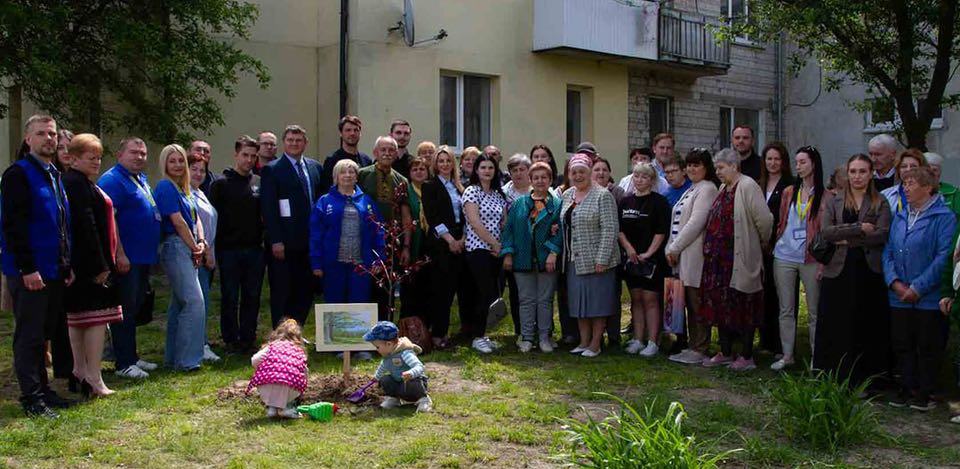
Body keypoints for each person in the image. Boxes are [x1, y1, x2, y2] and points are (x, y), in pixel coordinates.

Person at [1, 115, 76, 417]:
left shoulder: (54, 174)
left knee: (44, 333)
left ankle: (44, 391)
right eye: (42, 134)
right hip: (31, 270)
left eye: (53, 134)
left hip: (55, 269)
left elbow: (59, 223)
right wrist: (27, 268)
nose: (49, 139)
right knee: (30, 335)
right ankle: (31, 397)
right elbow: (13, 226)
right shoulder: (18, 174)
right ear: (28, 139)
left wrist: (67, 263)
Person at [814, 154, 892, 386]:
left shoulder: (881, 202)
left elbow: (882, 234)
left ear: (870, 174)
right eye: (853, 171)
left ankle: (863, 380)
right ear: (847, 174)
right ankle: (833, 376)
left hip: (868, 273)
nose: (857, 176)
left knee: (864, 326)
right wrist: (859, 228)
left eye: (862, 171)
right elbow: (827, 232)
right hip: (837, 271)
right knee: (836, 325)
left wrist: (847, 238)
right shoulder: (834, 200)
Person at [884, 166, 955, 411]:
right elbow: (889, 251)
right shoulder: (901, 216)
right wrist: (894, 281)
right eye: (904, 183)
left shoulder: (943, 217)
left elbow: (944, 256)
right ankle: (906, 388)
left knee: (927, 344)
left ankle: (924, 393)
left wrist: (918, 287)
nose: (906, 188)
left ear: (928, 187)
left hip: (927, 297)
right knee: (902, 342)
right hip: (898, 294)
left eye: (911, 183)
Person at [699, 148, 773, 371]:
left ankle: (746, 354)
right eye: (716, 168)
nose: (718, 172)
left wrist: (760, 243)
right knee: (722, 305)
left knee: (744, 304)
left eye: (721, 168)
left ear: (734, 166)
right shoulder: (724, 187)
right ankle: (726, 350)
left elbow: (765, 220)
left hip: (739, 259)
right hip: (719, 262)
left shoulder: (748, 186)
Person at [61, 134, 122, 398]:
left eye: (99, 157)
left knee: (79, 320)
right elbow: (87, 226)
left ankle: (80, 373)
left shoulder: (81, 182)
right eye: (91, 157)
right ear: (73, 158)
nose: (97, 162)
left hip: (82, 264)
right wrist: (101, 265)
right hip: (89, 264)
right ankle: (93, 376)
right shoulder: (76, 184)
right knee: (95, 320)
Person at [98, 137, 161, 379]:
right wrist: (119, 253)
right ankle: (123, 362)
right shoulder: (113, 180)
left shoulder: (140, 179)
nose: (139, 157)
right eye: (134, 153)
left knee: (133, 308)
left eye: (143, 153)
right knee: (123, 310)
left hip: (143, 256)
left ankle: (132, 356)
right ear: (119, 154)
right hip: (127, 258)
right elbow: (110, 220)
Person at [260, 124, 324, 327]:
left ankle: (297, 331)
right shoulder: (272, 170)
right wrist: (276, 239)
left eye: (298, 140)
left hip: (309, 241)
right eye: (290, 140)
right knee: (282, 290)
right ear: (284, 143)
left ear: (305, 143)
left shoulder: (315, 167)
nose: (294, 144)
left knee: (305, 289)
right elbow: (269, 208)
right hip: (284, 242)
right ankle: (280, 334)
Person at [770, 146, 825, 371]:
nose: (798, 166)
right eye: (797, 162)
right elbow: (783, 220)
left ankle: (816, 356)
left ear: (814, 164)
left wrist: (823, 261)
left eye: (803, 162)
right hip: (784, 254)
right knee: (785, 308)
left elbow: (825, 228)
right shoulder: (789, 192)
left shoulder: (826, 195)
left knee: (814, 310)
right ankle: (787, 354)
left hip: (811, 258)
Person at [210, 136, 266, 354]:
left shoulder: (258, 183)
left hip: (254, 250)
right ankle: (230, 339)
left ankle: (248, 338)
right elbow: (212, 218)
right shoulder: (221, 184)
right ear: (236, 154)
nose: (249, 160)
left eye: (253, 156)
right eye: (245, 155)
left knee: (252, 296)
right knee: (230, 296)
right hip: (229, 250)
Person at [561, 153, 620, 358]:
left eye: (582, 172)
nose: (578, 176)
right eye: (574, 172)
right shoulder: (568, 194)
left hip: (597, 260)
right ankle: (583, 341)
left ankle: (595, 343)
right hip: (574, 258)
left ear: (590, 174)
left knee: (597, 303)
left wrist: (602, 259)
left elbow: (610, 229)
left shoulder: (603, 195)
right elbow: (565, 221)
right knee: (579, 303)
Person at [155, 144, 207, 372]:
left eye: (180, 161)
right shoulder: (166, 186)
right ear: (165, 164)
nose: (177, 165)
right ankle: (187, 361)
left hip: (189, 246)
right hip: (176, 246)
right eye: (172, 161)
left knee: (179, 304)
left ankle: (173, 358)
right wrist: (195, 246)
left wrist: (201, 243)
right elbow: (178, 221)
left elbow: (195, 218)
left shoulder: (183, 188)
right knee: (194, 302)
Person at [666, 149, 720, 365]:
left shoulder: (707, 189)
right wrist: (671, 248)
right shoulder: (692, 189)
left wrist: (675, 248)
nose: (691, 169)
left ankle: (701, 347)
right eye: (688, 165)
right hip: (682, 255)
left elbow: (696, 223)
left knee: (698, 303)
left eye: (696, 165)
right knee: (688, 301)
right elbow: (677, 223)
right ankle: (692, 345)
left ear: (706, 168)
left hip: (695, 254)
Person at [501, 161, 562, 353]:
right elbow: (509, 230)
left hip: (547, 260)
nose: (540, 181)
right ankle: (527, 336)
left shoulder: (557, 203)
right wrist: (508, 254)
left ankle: (544, 337)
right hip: (522, 258)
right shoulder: (520, 203)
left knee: (545, 300)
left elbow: (561, 231)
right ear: (530, 180)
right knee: (526, 300)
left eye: (544, 177)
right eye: (536, 177)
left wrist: (553, 252)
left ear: (550, 179)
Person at [310, 159, 384, 303]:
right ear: (336, 177)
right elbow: (315, 235)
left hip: (361, 265)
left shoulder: (367, 201)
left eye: (351, 172)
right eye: (343, 172)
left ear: (356, 177)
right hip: (333, 265)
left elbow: (378, 231)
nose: (347, 175)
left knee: (359, 307)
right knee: (335, 306)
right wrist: (316, 263)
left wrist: (379, 259)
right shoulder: (324, 202)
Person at [618, 162, 670, 357]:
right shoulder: (626, 201)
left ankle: (653, 341)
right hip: (632, 259)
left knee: (650, 300)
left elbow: (661, 231)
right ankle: (638, 339)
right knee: (636, 299)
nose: (639, 180)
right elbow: (620, 230)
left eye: (644, 177)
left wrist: (648, 253)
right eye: (636, 176)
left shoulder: (659, 202)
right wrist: (629, 249)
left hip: (652, 260)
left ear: (652, 180)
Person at [358, 136, 412, 321]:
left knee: (387, 287)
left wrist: (406, 246)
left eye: (391, 150)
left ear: (396, 154)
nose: (387, 153)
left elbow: (406, 215)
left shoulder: (402, 180)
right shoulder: (362, 174)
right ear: (375, 152)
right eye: (383, 150)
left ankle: (386, 329)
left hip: (391, 240)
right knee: (366, 284)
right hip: (365, 239)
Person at [462, 153, 509, 353]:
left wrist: (501, 246)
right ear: (476, 171)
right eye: (483, 168)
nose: (487, 171)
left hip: (496, 251)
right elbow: (474, 222)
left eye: (491, 168)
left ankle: (484, 334)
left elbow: (504, 222)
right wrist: (494, 244)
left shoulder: (499, 195)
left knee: (492, 294)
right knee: (482, 292)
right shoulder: (471, 192)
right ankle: (476, 336)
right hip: (479, 249)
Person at [422, 146, 467, 348]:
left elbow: (467, 215)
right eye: (441, 161)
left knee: (455, 291)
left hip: (461, 240)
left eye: (448, 161)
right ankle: (438, 335)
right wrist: (450, 241)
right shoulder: (429, 186)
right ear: (435, 164)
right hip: (441, 244)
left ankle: (453, 332)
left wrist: (462, 239)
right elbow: (433, 218)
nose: (445, 164)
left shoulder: (460, 187)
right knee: (441, 291)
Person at [757, 142, 794, 353]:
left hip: (780, 247)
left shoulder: (790, 184)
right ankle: (765, 340)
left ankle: (781, 343)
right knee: (763, 293)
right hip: (759, 247)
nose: (772, 163)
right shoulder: (757, 183)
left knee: (780, 295)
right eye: (769, 159)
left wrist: (773, 241)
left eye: (777, 159)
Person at [188, 155, 221, 363]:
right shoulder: (185, 193)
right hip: (196, 256)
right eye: (194, 169)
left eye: (202, 170)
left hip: (207, 257)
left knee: (203, 303)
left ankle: (200, 343)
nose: (198, 174)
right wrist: (206, 252)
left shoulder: (200, 192)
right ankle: (199, 346)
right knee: (197, 304)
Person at [499, 153, 533, 335]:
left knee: (534, 293)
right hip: (509, 248)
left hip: (534, 249)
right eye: (514, 170)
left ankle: (539, 329)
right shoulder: (503, 193)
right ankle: (521, 330)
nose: (519, 173)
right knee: (515, 291)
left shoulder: (539, 190)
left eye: (522, 169)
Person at [364, 321, 433, 412]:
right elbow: (382, 367)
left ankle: (424, 400)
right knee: (385, 379)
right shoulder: (387, 356)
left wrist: (411, 373)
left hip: (414, 385)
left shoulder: (405, 353)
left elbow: (419, 366)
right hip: (400, 384)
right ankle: (394, 399)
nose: (377, 350)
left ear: (389, 344)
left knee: (411, 381)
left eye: (377, 347)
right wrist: (376, 377)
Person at [247, 318, 308, 419]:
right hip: (290, 389)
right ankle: (286, 408)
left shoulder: (271, 347)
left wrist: (264, 369)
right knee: (291, 382)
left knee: (275, 385)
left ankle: (272, 408)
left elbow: (254, 360)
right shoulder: (298, 351)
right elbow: (304, 372)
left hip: (265, 387)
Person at [400, 157, 432, 321]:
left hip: (431, 243)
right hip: (414, 243)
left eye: (422, 169)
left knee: (429, 288)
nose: (419, 172)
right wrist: (406, 247)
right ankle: (409, 327)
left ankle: (427, 327)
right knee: (411, 287)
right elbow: (406, 220)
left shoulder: (432, 190)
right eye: (415, 169)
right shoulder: (407, 192)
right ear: (410, 173)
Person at [320, 115, 373, 193]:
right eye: (348, 130)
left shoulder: (366, 160)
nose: (352, 133)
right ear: (341, 133)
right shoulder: (332, 160)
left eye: (356, 130)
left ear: (360, 133)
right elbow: (325, 189)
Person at [881, 149, 927, 215]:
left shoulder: (931, 196)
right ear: (898, 170)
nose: (908, 169)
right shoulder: (885, 195)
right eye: (904, 166)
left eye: (913, 166)